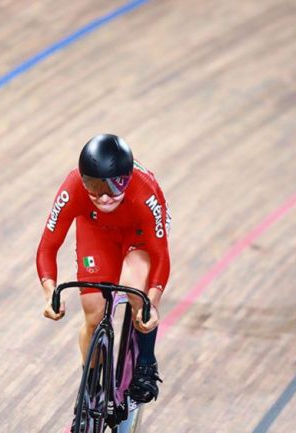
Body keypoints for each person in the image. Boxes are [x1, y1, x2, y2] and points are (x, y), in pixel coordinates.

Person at [36, 133, 171, 409]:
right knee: (93, 310)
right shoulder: (72, 187)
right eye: (94, 186)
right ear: (83, 179)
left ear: (128, 179)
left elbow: (160, 256)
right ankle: (92, 384)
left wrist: (152, 304)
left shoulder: (145, 192)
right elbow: (47, 246)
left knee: (135, 290)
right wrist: (50, 292)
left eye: (114, 185)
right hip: (97, 231)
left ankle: (145, 362)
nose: (104, 195)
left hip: (138, 233)